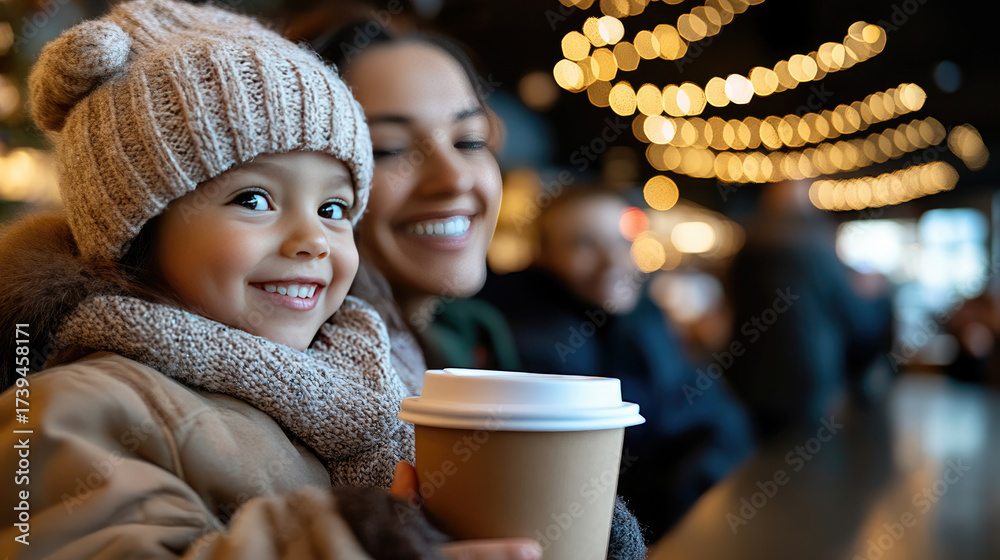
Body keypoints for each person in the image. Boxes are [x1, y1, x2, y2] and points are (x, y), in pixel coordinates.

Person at [0, 1, 541, 558]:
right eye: (254, 199)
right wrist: (363, 541)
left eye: (334, 209)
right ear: (137, 232)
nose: (312, 239)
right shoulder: (78, 406)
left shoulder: (365, 378)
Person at [310, 24, 644, 558]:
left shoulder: (474, 335)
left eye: (469, 140)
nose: (454, 177)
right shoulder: (290, 387)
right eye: (390, 149)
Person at [478, 186, 755, 535]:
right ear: (543, 255)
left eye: (623, 242)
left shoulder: (637, 315)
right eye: (584, 244)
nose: (613, 259)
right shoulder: (540, 336)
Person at [724, 180, 893, 440]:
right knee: (810, 465)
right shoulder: (817, 246)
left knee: (759, 463)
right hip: (810, 385)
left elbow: (728, 309)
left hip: (748, 383)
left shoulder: (745, 247)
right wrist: (878, 296)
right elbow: (858, 321)